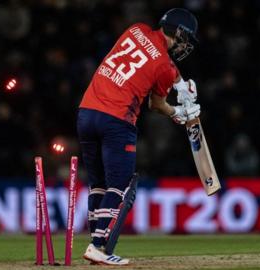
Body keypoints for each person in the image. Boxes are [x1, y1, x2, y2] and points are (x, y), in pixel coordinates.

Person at [77, 8, 201, 265]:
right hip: (117, 119)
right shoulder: (164, 68)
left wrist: (179, 82)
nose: (185, 45)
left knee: (98, 183)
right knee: (119, 184)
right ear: (178, 32)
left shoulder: (136, 30)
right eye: (185, 38)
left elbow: (155, 58)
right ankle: (98, 246)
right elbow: (156, 105)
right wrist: (178, 112)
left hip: (87, 113)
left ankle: (95, 242)